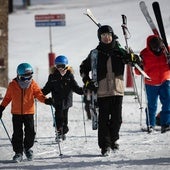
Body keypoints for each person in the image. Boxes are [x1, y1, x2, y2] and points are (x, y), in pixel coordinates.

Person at [79, 25, 140, 156]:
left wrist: (134, 58)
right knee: (103, 121)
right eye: (103, 36)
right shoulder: (95, 53)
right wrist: (88, 82)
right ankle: (105, 146)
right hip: (101, 92)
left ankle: (113, 140)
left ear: (112, 36)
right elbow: (83, 68)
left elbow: (135, 62)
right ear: (99, 38)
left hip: (117, 91)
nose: (106, 38)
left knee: (117, 119)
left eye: (109, 35)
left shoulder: (120, 51)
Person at [0, 63, 52, 162]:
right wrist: (1, 108)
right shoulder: (12, 85)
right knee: (17, 134)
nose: (28, 79)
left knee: (30, 133)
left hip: (29, 112)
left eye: (30, 76)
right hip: (16, 114)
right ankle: (18, 153)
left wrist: (46, 100)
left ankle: (27, 149)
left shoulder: (32, 84)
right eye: (25, 76)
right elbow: (7, 98)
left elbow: (39, 94)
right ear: (19, 75)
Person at [42, 55, 83, 141]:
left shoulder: (69, 76)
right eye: (58, 66)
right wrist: (38, 93)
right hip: (57, 101)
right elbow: (47, 89)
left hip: (67, 101)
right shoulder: (52, 77)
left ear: (66, 66)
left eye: (62, 66)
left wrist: (83, 91)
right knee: (58, 117)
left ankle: (63, 130)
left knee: (64, 119)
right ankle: (59, 133)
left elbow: (75, 87)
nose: (60, 68)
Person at [135, 35, 170, 133]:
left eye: (159, 48)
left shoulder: (167, 50)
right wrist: (139, 67)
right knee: (152, 105)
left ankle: (166, 124)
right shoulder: (144, 54)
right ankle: (151, 125)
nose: (157, 50)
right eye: (155, 48)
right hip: (150, 83)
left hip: (165, 80)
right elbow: (137, 72)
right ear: (150, 47)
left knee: (168, 103)